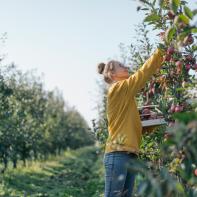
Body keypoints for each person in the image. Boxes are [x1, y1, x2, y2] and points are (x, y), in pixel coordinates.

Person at [97, 48, 164, 197]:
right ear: (112, 74)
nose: (126, 67)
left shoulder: (126, 98)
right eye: (121, 66)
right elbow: (142, 75)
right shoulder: (117, 89)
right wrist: (161, 51)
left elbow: (134, 127)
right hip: (117, 154)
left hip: (130, 155)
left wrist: (152, 122)